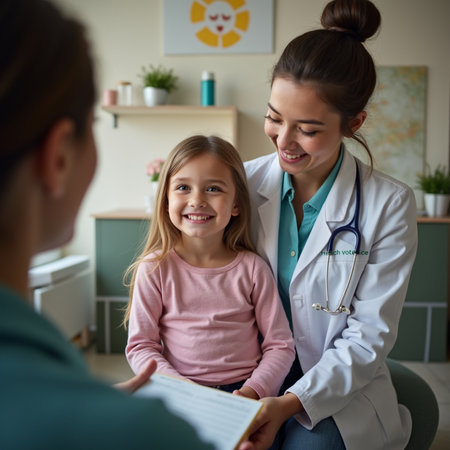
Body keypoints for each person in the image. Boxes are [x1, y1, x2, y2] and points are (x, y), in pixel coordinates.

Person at [0, 1, 216, 448]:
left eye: (213, 189)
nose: (197, 200)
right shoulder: (145, 435)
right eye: (94, 123)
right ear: (59, 155)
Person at [241, 0, 418, 449]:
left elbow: (369, 336)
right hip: (246, 372)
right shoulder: (239, 182)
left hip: (335, 388)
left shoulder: (388, 205)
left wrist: (290, 402)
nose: (284, 141)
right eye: (274, 118)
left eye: (308, 129)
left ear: (353, 123)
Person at [124, 135, 295, 400]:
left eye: (213, 189)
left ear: (236, 204)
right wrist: (182, 389)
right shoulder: (155, 269)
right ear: (166, 200)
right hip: (178, 392)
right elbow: (140, 347)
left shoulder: (252, 269)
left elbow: (280, 346)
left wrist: (252, 392)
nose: (197, 200)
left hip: (245, 393)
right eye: (183, 188)